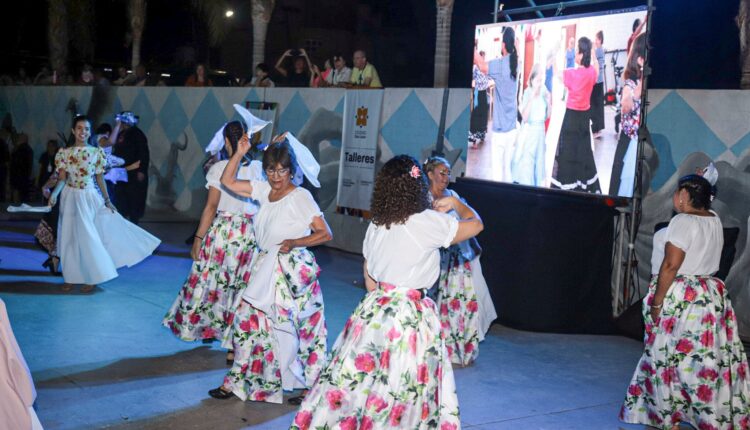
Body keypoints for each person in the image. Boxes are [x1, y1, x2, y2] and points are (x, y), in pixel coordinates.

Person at [291, 155, 482, 429]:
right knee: (404, 386)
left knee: (362, 382)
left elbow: (370, 281)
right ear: (418, 187)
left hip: (374, 312)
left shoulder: (377, 224)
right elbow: (476, 224)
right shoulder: (426, 221)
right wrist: (455, 203)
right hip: (409, 316)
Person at [620, 175, 750, 430]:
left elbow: (671, 265)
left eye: (677, 192)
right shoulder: (714, 218)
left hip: (683, 296)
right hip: (709, 294)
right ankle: (708, 416)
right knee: (702, 360)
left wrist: (657, 303)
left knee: (666, 356)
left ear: (683, 196)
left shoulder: (682, 221)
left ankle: (668, 416)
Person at [209, 135, 331, 403]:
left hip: (292, 271)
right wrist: (238, 153)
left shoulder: (301, 197)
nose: (276, 176)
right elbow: (227, 182)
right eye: (271, 170)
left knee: (302, 329)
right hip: (264, 266)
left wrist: (295, 242)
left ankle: (312, 387)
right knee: (246, 323)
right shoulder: (263, 189)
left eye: (282, 170)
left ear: (292, 170)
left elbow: (325, 233)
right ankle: (236, 382)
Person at [163, 121, 262, 360]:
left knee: (213, 285)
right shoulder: (258, 168)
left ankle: (208, 328)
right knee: (241, 288)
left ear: (227, 142)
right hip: (249, 234)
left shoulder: (218, 168)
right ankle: (233, 347)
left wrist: (198, 238)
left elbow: (210, 207)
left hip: (223, 234)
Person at [47, 115, 160, 292]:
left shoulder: (96, 153)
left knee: (88, 237)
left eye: (86, 129)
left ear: (90, 132)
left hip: (88, 196)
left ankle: (93, 277)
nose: (83, 132)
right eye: (79, 128)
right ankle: (70, 277)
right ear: (73, 131)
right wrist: (54, 194)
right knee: (68, 238)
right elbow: (62, 178)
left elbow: (100, 179)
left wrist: (107, 200)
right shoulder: (64, 153)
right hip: (69, 197)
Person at [424, 156, 496, 367]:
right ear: (430, 174)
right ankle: (435, 347)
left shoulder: (453, 196)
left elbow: (470, 221)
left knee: (462, 304)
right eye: (441, 172)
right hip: (435, 260)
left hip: (458, 262)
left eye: (448, 173)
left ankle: (459, 349)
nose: (446, 177)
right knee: (435, 305)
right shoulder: (424, 198)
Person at [550, 36, 601, 193]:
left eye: (577, 51)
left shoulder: (572, 74)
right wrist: (594, 55)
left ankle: (568, 185)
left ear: (581, 54)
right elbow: (597, 68)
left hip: (571, 118)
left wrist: (554, 55)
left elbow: (556, 73)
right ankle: (581, 184)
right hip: (584, 118)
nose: (575, 53)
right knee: (582, 151)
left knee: (568, 152)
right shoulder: (591, 73)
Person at [474, 27, 519, 183]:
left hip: (500, 130)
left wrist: (472, 45)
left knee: (498, 173)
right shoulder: (516, 63)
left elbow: (481, 65)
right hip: (512, 127)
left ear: (503, 45)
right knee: (508, 170)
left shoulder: (500, 65)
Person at [609, 33, 645, 197]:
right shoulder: (631, 83)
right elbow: (625, 105)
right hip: (629, 143)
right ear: (641, 60)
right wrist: (639, 88)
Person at [512, 64, 550, 186]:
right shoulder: (527, 92)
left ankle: (537, 187)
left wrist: (549, 102)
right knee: (528, 160)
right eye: (538, 78)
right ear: (533, 78)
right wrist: (532, 97)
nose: (540, 81)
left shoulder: (544, 90)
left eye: (542, 77)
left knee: (539, 161)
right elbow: (524, 117)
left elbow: (547, 116)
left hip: (541, 131)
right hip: (530, 131)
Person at [112, 111, 150, 224]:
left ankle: (134, 222)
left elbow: (144, 153)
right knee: (121, 198)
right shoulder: (121, 134)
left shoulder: (138, 134)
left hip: (134, 173)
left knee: (134, 198)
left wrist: (142, 170)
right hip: (122, 172)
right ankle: (122, 220)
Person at [469, 50, 491, 147]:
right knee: (476, 114)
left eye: (483, 57)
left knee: (484, 113)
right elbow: (473, 77)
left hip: (484, 92)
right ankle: (474, 139)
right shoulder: (476, 68)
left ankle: (482, 135)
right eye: (481, 57)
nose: (483, 59)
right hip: (478, 91)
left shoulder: (486, 68)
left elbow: (489, 78)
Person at [9, 133, 33, 204]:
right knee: (23, 196)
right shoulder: (29, 149)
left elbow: (15, 162)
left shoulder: (19, 149)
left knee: (16, 193)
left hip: (17, 175)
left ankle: (15, 206)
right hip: (25, 175)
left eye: (18, 138)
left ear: (21, 139)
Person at [590, 31, 606, 137]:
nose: (595, 41)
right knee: (598, 105)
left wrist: (592, 49)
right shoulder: (600, 50)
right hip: (598, 81)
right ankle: (597, 129)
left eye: (596, 39)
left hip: (597, 81)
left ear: (600, 40)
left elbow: (596, 64)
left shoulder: (598, 51)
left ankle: (596, 129)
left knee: (595, 105)